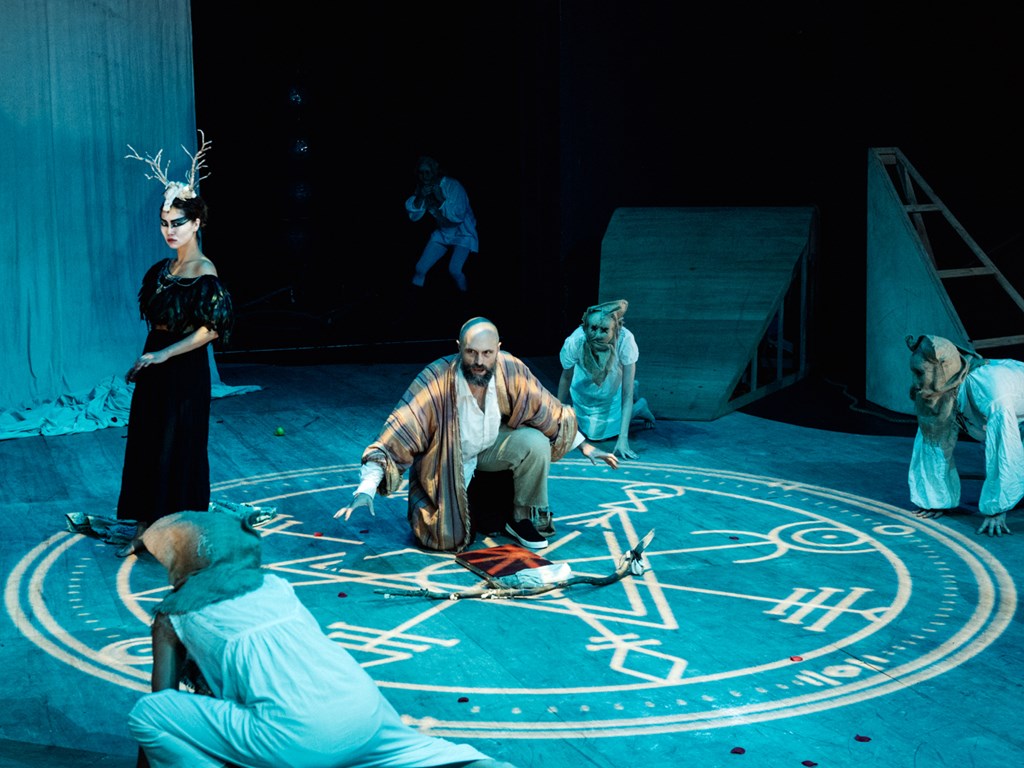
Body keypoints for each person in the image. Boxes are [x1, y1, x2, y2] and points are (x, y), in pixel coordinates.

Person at [127, 510, 517, 768]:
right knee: (437, 759)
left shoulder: (171, 615)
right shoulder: (275, 585)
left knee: (147, 714)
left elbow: (162, 697)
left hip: (294, 737)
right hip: (364, 710)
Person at [336, 317, 619, 552]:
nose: (479, 361)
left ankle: (521, 518)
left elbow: (547, 408)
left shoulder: (510, 368)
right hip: (447, 459)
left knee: (535, 442)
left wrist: (585, 446)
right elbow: (398, 431)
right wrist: (367, 488)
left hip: (490, 449)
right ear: (459, 348)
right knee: (442, 538)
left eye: (487, 353)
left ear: (498, 348)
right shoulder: (436, 379)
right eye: (471, 352)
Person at [116, 134, 233, 556]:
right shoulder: (162, 269)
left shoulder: (205, 271)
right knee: (146, 441)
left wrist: (163, 354)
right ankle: (144, 529)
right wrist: (149, 357)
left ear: (197, 223)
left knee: (177, 447)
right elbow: (159, 324)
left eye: (177, 223)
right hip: (156, 365)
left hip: (183, 370)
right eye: (165, 223)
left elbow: (211, 329)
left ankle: (179, 532)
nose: (170, 230)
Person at [907, 334, 1024, 536]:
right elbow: (933, 438)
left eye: (920, 373)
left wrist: (997, 507)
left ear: (941, 372)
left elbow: (1004, 450)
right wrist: (935, 501)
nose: (916, 383)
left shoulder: (993, 393)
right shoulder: (941, 386)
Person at [557, 299, 655, 459]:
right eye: (593, 328)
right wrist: (556, 417)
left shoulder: (625, 340)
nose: (597, 335)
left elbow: (627, 393)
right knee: (590, 432)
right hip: (584, 390)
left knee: (598, 435)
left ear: (615, 330)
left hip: (611, 388)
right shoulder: (576, 341)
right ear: (585, 327)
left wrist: (623, 439)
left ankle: (641, 407)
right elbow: (565, 378)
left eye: (604, 330)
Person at [406, 155, 478, 293]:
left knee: (454, 270)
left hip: (463, 232)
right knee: (420, 268)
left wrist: (440, 198)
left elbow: (458, 215)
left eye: (428, 172)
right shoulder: (422, 188)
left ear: (434, 171)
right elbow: (414, 215)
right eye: (421, 173)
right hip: (444, 232)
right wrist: (421, 196)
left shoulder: (452, 185)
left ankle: (466, 302)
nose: (424, 176)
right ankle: (410, 304)